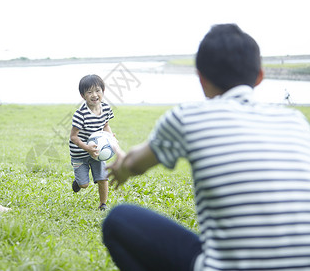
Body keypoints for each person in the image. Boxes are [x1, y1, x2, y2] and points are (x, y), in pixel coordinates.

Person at [102, 24, 310, 270]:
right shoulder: (296, 121)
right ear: (260, 76)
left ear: (201, 78)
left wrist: (123, 168)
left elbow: (134, 164)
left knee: (119, 219)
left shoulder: (188, 116)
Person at [69, 74, 119, 211]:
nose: (94, 95)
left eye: (97, 90)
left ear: (103, 91)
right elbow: (73, 137)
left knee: (103, 178)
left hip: (98, 152)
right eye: (89, 92)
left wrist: (110, 137)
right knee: (84, 184)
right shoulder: (80, 114)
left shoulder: (106, 109)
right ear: (83, 95)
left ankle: (103, 204)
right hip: (79, 153)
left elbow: (106, 125)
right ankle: (79, 182)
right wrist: (87, 148)